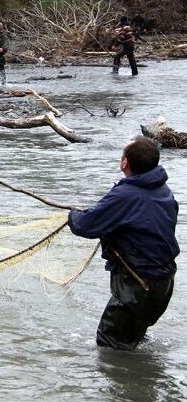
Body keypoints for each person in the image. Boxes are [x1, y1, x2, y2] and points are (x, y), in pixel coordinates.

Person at [68, 137, 179, 351]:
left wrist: (72, 214)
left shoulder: (124, 195)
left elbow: (83, 225)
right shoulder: (163, 191)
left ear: (125, 163)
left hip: (137, 286)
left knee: (110, 350)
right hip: (163, 284)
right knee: (133, 341)